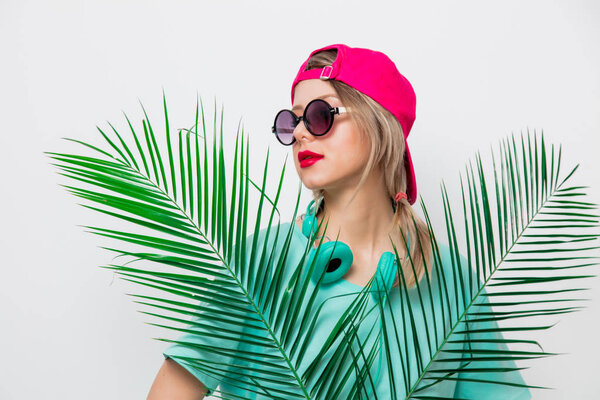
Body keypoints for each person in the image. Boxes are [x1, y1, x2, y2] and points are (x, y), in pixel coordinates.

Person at [147, 44, 531, 399]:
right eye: (291, 122)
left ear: (377, 122)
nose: (298, 133)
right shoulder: (262, 260)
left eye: (319, 116)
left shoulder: (450, 277)